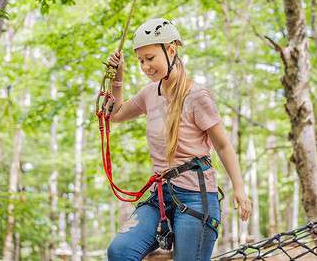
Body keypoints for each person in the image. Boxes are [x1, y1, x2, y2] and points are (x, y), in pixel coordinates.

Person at [106, 18, 251, 260]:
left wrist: (239, 188)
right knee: (120, 251)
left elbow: (223, 146)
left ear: (171, 50)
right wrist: (117, 79)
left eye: (150, 58)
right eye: (141, 60)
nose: (145, 66)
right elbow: (116, 115)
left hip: (197, 196)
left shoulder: (198, 96)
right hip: (162, 195)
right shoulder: (149, 93)